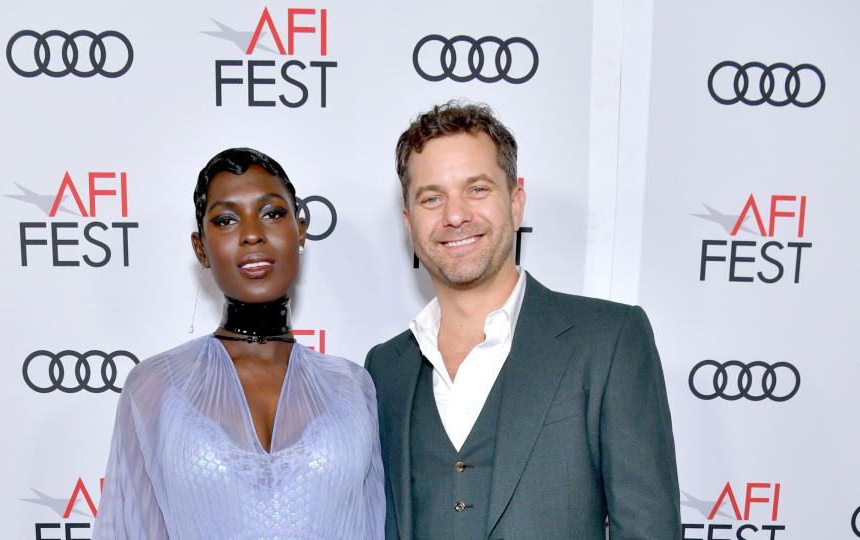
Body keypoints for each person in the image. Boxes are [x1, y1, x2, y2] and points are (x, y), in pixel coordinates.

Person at [365, 102, 680, 539]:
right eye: (432, 197)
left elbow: (649, 530)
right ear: (409, 222)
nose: (455, 216)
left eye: (476, 189)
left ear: (515, 204)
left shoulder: (608, 341)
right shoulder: (384, 367)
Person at [94, 148, 384, 539]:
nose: (252, 234)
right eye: (227, 220)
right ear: (201, 248)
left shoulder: (352, 387)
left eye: (272, 213)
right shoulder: (154, 387)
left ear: (300, 231)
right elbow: (129, 529)